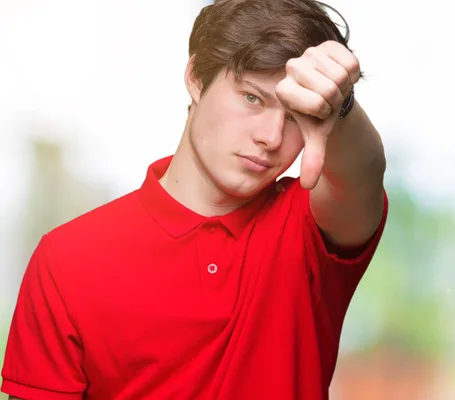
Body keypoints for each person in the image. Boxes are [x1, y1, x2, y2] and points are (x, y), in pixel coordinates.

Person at [1, 0, 388, 398]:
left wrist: (340, 104)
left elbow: (363, 173)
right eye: (252, 98)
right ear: (195, 77)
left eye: (296, 117)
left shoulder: (308, 225)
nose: (271, 138)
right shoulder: (66, 259)